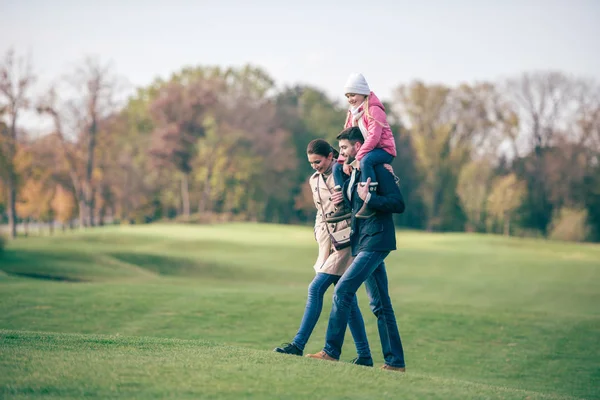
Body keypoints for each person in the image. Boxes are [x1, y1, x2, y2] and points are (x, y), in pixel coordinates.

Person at [306, 127, 407, 372]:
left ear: (359, 146)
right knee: (380, 304)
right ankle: (395, 363)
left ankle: (331, 351)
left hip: (376, 241)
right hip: (361, 241)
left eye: (343, 148)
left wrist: (371, 199)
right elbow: (352, 207)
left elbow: (398, 203)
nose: (340, 153)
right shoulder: (354, 172)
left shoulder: (380, 171)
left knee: (342, 291)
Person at [273, 138, 374, 367]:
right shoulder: (313, 180)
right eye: (311, 163)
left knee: (316, 288)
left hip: (345, 243)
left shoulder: (344, 172)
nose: (315, 166)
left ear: (331, 155)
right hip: (326, 244)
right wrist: (318, 232)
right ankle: (365, 356)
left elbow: (356, 201)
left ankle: (298, 345)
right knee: (346, 297)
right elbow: (320, 211)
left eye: (318, 161)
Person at [327, 73, 397, 222]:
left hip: (382, 149)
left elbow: (374, 137)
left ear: (362, 93)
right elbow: (346, 140)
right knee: (336, 168)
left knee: (366, 161)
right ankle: (343, 205)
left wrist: (358, 158)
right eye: (347, 96)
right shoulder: (352, 113)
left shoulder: (374, 110)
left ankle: (369, 201)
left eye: (353, 95)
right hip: (363, 150)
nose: (350, 99)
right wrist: (343, 161)